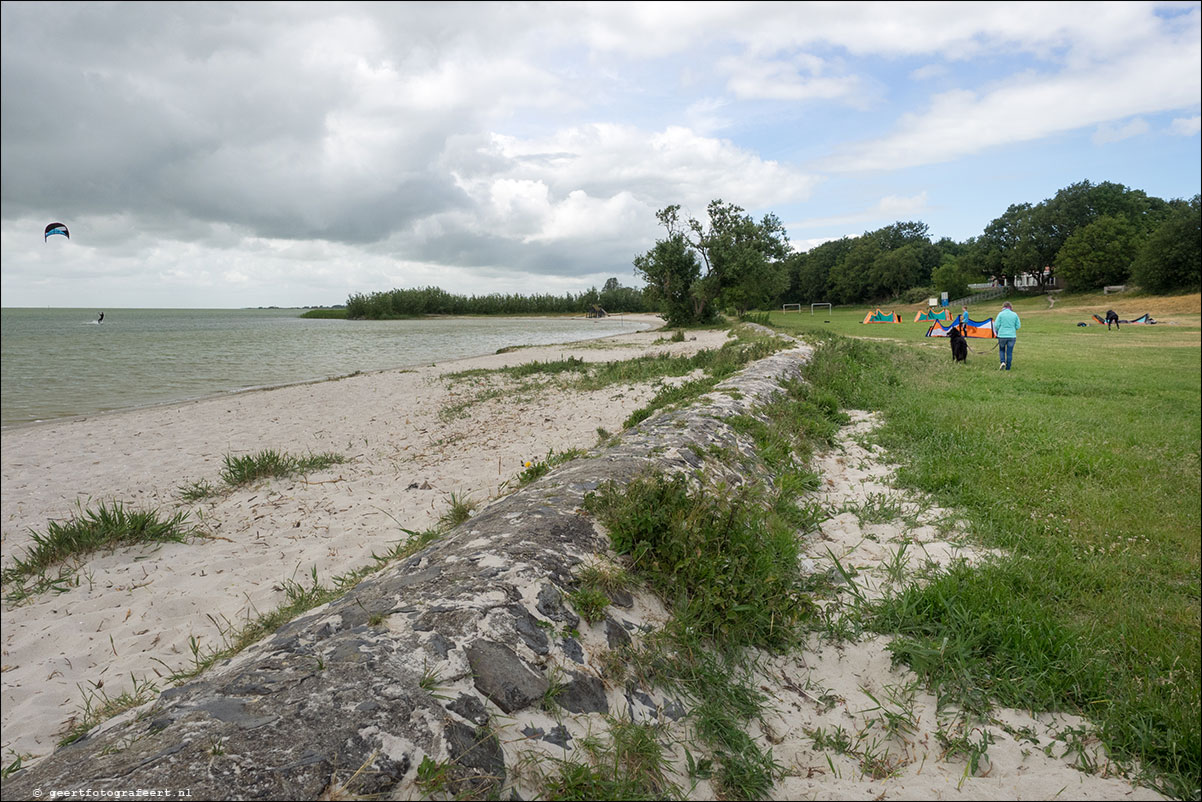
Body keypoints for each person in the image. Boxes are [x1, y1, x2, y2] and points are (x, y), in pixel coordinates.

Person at [995, 301, 1021, 371]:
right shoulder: (1015, 314)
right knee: (1009, 352)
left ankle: (1003, 362)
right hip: (1012, 336)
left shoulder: (1000, 314)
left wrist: (999, 330)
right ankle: (1008, 367)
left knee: (1002, 350)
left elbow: (996, 325)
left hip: (1002, 335)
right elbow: (1018, 326)